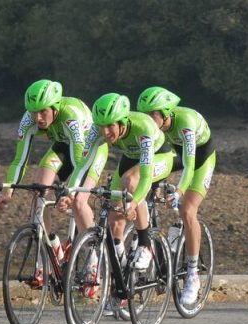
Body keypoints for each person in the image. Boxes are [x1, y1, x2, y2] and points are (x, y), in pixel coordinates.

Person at [0, 79, 108, 286]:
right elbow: (20, 159)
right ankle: (49, 252)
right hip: (63, 146)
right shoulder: (28, 119)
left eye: (42, 112)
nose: (37, 118)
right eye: (33, 112)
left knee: (79, 201)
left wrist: (69, 193)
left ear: (55, 108)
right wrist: (9, 188)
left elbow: (79, 164)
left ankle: (93, 259)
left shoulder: (71, 117)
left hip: (88, 152)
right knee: (40, 190)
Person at [73, 93, 174, 284]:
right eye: (102, 126)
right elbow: (82, 165)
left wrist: (134, 203)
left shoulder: (143, 128)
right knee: (114, 221)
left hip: (159, 156)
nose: (106, 132)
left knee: (132, 181)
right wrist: (72, 191)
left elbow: (144, 176)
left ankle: (146, 245)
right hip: (130, 157)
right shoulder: (97, 130)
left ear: (123, 122)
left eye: (110, 126)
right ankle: (122, 279)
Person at [137, 86, 216, 305]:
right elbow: (149, 159)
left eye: (152, 115)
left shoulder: (186, 123)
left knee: (187, 209)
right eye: (145, 116)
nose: (148, 121)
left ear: (166, 113)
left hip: (200, 159)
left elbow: (189, 165)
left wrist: (179, 191)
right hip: (175, 153)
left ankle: (192, 275)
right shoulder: (153, 128)